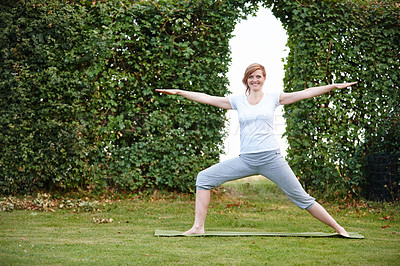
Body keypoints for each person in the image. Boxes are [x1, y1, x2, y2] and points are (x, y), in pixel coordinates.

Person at [156, 63, 357, 237]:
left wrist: (332, 86)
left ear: (264, 78)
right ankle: (198, 227)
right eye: (251, 77)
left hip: (271, 158)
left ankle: (339, 228)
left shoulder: (273, 97)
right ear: (246, 80)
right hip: (246, 160)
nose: (254, 80)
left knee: (302, 198)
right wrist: (180, 92)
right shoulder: (237, 101)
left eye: (258, 76)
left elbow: (304, 93)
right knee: (204, 178)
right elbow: (208, 98)